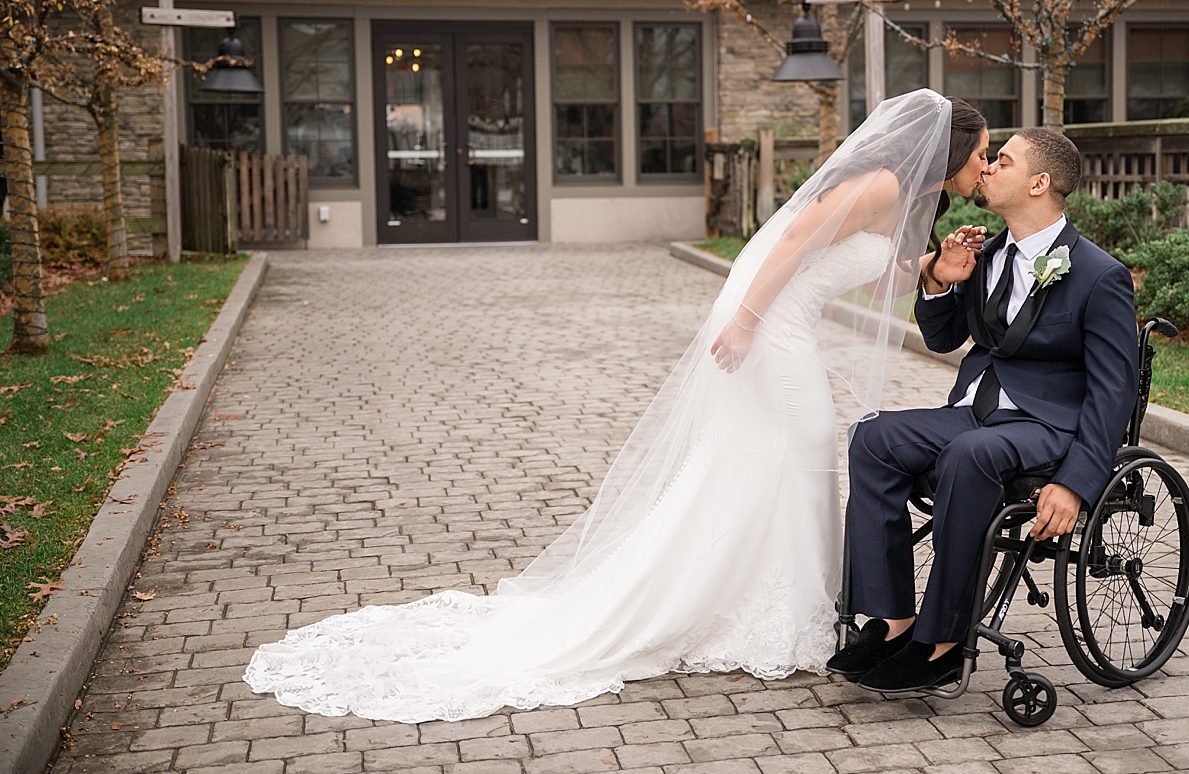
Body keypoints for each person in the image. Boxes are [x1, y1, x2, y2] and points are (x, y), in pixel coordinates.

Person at [243, 90, 990, 722]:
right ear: (949, 150)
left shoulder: (917, 199)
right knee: (804, 447)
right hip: (773, 324)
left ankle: (787, 603)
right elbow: (790, 243)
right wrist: (747, 320)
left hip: (788, 321)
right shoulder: (883, 187)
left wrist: (934, 266)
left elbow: (869, 280)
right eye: (983, 154)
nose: (985, 166)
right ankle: (782, 614)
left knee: (777, 459)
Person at [828, 127, 1139, 693]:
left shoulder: (1099, 275)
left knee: (972, 455)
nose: (987, 167)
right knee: (872, 436)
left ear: (1039, 182)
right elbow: (945, 338)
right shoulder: (987, 253)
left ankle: (942, 642)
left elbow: (1112, 392)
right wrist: (941, 282)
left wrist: (1075, 483)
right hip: (974, 411)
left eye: (1003, 160)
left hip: (1046, 427)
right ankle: (894, 621)